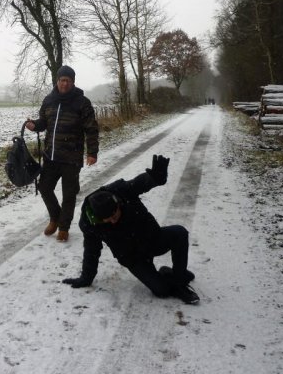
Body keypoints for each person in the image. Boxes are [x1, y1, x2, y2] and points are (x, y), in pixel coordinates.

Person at [62, 155, 200, 304]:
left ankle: (179, 278)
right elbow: (92, 250)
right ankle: (166, 275)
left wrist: (155, 178)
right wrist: (86, 278)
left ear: (117, 203)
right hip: (133, 257)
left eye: (115, 214)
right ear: (98, 218)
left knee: (180, 233)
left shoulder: (119, 190)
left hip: (153, 238)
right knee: (162, 290)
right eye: (108, 220)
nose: (113, 221)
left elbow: (139, 183)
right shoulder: (89, 223)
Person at [25, 65, 99, 242]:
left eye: (68, 80)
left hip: (71, 158)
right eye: (62, 80)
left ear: (73, 82)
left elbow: (91, 129)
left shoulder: (82, 102)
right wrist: (34, 125)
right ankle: (55, 218)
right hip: (51, 156)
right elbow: (44, 122)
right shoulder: (49, 100)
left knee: (69, 194)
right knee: (44, 188)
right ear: (57, 81)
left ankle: (64, 227)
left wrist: (92, 153)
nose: (65, 83)